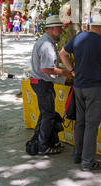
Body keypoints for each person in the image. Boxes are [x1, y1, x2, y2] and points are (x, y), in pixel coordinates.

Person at [59, 14, 101, 171]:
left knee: (81, 122)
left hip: (78, 85)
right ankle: (87, 161)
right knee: (91, 124)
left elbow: (62, 53)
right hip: (93, 87)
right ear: (99, 27)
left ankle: (78, 155)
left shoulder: (79, 38)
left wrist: (72, 70)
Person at [30, 15, 71, 155]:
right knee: (48, 115)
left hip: (40, 82)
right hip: (42, 82)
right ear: (52, 28)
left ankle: (42, 141)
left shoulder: (46, 41)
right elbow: (46, 69)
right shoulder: (47, 44)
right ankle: (43, 146)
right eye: (59, 27)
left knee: (45, 114)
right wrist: (65, 72)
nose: (61, 30)